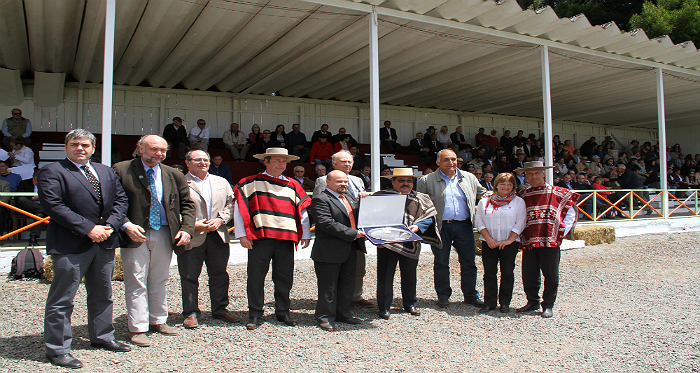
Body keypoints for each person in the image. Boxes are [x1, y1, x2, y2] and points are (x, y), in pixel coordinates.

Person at [38, 129, 130, 368]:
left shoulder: (105, 171)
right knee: (63, 299)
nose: (80, 148)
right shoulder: (52, 171)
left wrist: (110, 226)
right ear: (66, 147)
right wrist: (89, 228)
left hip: (105, 241)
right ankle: (57, 349)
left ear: (93, 148)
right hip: (71, 243)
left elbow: (121, 201)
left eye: (85, 145)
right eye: (75, 144)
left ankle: (102, 336)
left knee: (103, 294)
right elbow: (53, 205)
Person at [113, 135, 195, 347]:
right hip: (135, 232)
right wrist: (126, 225)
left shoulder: (172, 174)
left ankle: (158, 320)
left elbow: (187, 204)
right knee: (136, 280)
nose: (158, 154)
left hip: (165, 233)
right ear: (140, 149)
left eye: (162, 150)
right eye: (153, 150)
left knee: (160, 279)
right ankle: (138, 327)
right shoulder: (121, 169)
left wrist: (186, 229)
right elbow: (112, 203)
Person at [233, 148, 311, 330]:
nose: (281, 164)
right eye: (277, 160)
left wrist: (305, 234)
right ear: (266, 162)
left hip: (286, 237)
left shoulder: (293, 185)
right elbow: (240, 209)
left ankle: (283, 312)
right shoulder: (249, 183)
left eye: (284, 161)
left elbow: (303, 211)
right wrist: (242, 234)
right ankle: (254, 313)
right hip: (261, 237)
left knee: (284, 277)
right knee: (255, 277)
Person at [416, 149, 487, 308]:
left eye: (454, 159)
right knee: (441, 262)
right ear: (438, 162)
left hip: (464, 226)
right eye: (446, 159)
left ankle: (470, 295)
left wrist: (504, 198)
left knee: (469, 262)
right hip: (441, 227)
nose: (451, 163)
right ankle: (443, 296)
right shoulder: (426, 181)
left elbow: (484, 194)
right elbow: (418, 205)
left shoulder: (468, 178)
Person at [179, 150, 239, 329]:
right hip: (192, 236)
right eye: (198, 160)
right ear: (187, 162)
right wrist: (193, 224)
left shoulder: (221, 181)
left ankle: (220, 309)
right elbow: (172, 209)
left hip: (218, 235)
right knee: (189, 276)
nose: (203, 162)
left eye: (205, 159)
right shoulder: (179, 182)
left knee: (219, 275)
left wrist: (221, 219)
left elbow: (231, 203)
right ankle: (190, 313)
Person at [514, 161, 579, 318]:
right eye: (530, 173)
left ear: (543, 174)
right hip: (529, 238)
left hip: (550, 240)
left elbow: (570, 212)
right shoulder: (522, 196)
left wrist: (561, 232)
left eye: (537, 173)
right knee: (529, 273)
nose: (533, 176)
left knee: (551, 274)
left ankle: (548, 304)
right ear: (526, 176)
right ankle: (532, 301)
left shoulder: (558, 193)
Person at [374, 168, 439, 319]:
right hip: (386, 243)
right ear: (393, 181)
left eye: (409, 181)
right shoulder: (380, 197)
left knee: (410, 275)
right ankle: (384, 307)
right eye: (401, 180)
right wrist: (375, 239)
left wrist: (418, 227)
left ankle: (410, 304)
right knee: (385, 276)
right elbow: (370, 218)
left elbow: (428, 217)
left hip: (411, 242)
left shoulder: (422, 198)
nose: (406, 183)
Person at [313, 150, 371, 307]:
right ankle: (332, 307)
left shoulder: (357, 180)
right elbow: (322, 211)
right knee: (333, 276)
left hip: (356, 236)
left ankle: (354, 296)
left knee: (357, 269)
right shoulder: (323, 181)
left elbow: (358, 208)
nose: (347, 164)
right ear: (333, 164)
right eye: (343, 161)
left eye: (349, 162)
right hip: (335, 237)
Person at [309, 170, 366, 331]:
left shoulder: (348, 197)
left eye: (346, 182)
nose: (343, 184)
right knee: (328, 286)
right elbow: (325, 223)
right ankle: (324, 317)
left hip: (350, 248)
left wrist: (364, 204)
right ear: (328, 183)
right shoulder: (320, 199)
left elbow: (356, 217)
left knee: (347, 284)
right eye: (339, 181)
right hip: (329, 250)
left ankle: (344, 314)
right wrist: (352, 233)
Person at [474, 173, 526, 313]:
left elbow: (521, 222)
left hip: (509, 243)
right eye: (503, 184)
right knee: (489, 273)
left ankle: (505, 303)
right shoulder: (484, 201)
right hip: (488, 242)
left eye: (510, 184)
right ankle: (489, 302)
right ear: (496, 185)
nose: (506, 187)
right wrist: (489, 238)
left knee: (507, 273)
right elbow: (479, 221)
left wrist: (509, 240)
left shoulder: (519, 202)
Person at [16, 168, 42, 245]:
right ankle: (44, 210)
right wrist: (32, 198)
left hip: (41, 206)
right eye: (38, 180)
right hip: (29, 206)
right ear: (33, 179)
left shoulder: (48, 184)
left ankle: (33, 238)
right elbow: (18, 197)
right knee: (21, 200)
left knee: (40, 215)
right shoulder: (24, 183)